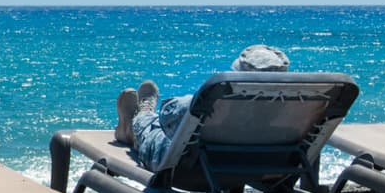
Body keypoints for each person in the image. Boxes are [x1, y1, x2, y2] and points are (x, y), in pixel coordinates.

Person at [116, 45, 290, 170]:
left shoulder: (216, 102)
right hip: (256, 169)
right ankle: (136, 122)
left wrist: (197, 102)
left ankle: (136, 120)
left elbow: (167, 116)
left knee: (155, 129)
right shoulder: (293, 110)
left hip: (190, 170)